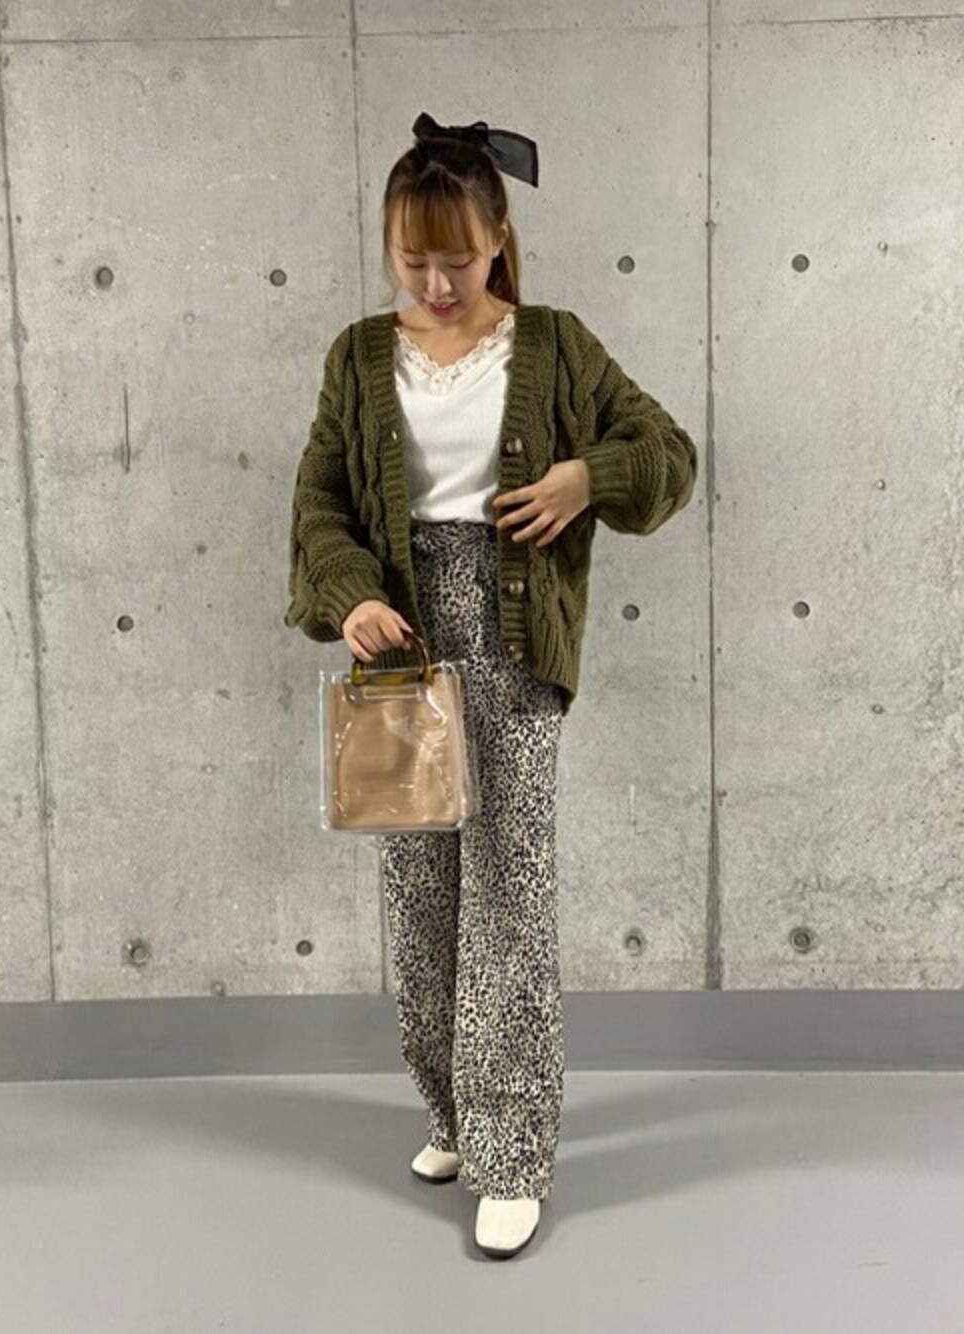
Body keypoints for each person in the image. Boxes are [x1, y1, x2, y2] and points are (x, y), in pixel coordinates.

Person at [285, 113, 698, 1259]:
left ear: (498, 239)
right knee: (419, 897)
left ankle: (512, 1151)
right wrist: (348, 596)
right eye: (412, 259)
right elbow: (318, 501)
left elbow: (667, 455)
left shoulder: (555, 346)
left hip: (513, 638)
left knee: (507, 894)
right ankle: (453, 1113)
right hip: (398, 644)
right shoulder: (357, 356)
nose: (435, 283)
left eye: (457, 259)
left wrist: (584, 477)